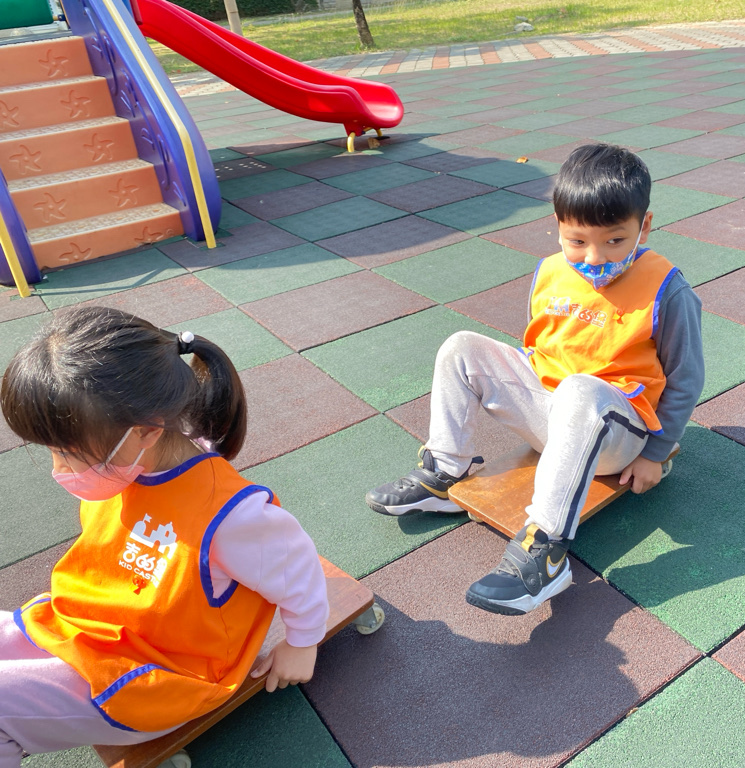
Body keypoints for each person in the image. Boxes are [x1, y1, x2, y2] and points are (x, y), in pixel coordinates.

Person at [366, 143, 705, 616]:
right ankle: (446, 469)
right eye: (577, 241)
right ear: (558, 225)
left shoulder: (667, 288)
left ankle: (545, 549)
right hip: (556, 415)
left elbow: (686, 378)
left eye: (615, 240)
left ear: (643, 227)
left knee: (580, 389)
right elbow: (538, 348)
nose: (594, 257)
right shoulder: (549, 271)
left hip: (618, 435)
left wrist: (655, 452)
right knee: (461, 346)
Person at [0, 306, 328, 768]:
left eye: (69, 452)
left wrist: (302, 642)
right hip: (90, 627)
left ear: (145, 433)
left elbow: (299, 568)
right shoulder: (133, 461)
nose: (60, 468)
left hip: (159, 677)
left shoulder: (232, 517)